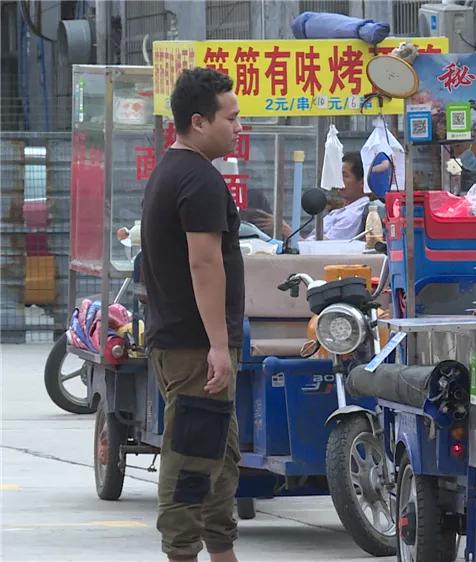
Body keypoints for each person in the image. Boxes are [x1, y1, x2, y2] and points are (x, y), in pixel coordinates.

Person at [140, 67, 244, 562]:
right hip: (194, 347)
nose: (238, 127)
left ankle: (221, 552)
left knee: (218, 458)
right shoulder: (198, 179)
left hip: (184, 341)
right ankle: (182, 553)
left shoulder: (173, 170)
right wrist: (219, 346)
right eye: (232, 117)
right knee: (191, 463)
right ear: (199, 122)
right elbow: (204, 264)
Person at [307, 152, 373, 240]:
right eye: (339, 175)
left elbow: (324, 246)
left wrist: (287, 231)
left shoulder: (351, 215)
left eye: (345, 176)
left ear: (362, 182)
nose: (339, 180)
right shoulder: (345, 209)